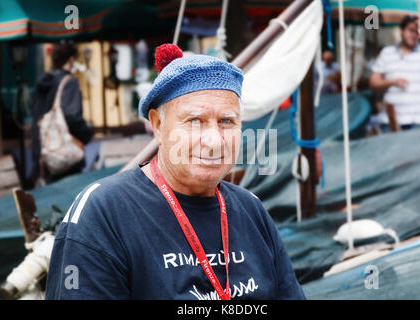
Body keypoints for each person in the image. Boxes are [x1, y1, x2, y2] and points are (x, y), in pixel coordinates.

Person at [45, 44, 306, 300]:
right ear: (158, 125)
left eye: (227, 121)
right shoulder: (103, 212)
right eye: (195, 121)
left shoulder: (251, 209)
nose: (214, 141)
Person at [369, 15, 420, 132]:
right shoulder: (387, 52)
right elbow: (372, 82)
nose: (414, 35)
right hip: (392, 121)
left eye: (417, 32)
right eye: (411, 30)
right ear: (402, 31)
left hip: (419, 121)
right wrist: (391, 82)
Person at [30, 41, 93, 185]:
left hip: (45, 155)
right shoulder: (69, 82)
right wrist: (87, 134)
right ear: (71, 59)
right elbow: (71, 117)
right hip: (65, 157)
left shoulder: (42, 82)